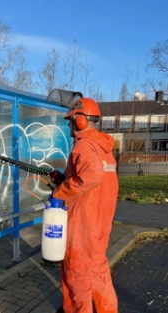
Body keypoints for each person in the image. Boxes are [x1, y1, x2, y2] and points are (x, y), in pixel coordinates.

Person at [50, 97, 118, 313]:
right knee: (98, 271)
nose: (69, 125)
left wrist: (59, 193)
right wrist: (65, 178)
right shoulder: (104, 148)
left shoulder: (83, 146)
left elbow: (91, 176)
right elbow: (94, 182)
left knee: (76, 276)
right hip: (100, 223)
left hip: (83, 225)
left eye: (71, 121)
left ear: (80, 121)